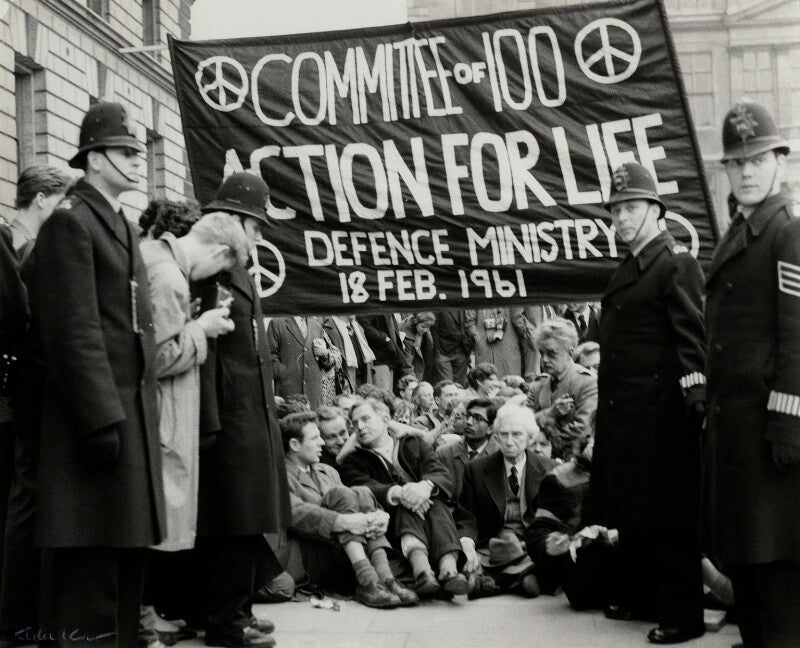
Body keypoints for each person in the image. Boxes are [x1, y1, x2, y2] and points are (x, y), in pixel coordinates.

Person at [27, 101, 165, 647]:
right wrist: (101, 418)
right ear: (94, 158)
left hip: (127, 416)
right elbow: (73, 331)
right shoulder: (71, 221)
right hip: (97, 422)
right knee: (91, 571)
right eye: (124, 151)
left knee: (123, 560)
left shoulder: (119, 224)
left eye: (137, 151)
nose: (136, 160)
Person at [588, 162, 707, 645]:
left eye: (631, 207)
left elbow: (691, 338)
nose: (621, 217)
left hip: (663, 415)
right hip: (627, 413)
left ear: (656, 210)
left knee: (671, 518)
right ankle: (642, 597)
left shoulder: (676, 263)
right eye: (615, 210)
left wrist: (695, 400)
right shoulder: (630, 267)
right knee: (634, 512)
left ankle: (683, 615)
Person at [704, 101, 800, 648]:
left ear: (779, 163)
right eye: (736, 163)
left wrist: (788, 424)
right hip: (739, 435)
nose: (745, 172)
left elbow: (797, 336)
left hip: (770, 438)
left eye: (757, 160)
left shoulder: (788, 233)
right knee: (750, 576)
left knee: (778, 580)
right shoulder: (741, 231)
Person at [139, 210, 249, 636]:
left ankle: (146, 613)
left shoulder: (154, 258)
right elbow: (158, 357)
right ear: (219, 252)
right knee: (157, 517)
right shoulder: (170, 276)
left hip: (160, 412)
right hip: (164, 414)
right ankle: (143, 616)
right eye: (222, 267)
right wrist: (202, 329)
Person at [195, 172, 291, 648]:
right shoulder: (212, 270)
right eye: (253, 226)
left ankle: (239, 609)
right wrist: (210, 421)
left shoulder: (237, 270)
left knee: (247, 518)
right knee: (231, 521)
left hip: (251, 414)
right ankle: (225, 621)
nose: (257, 237)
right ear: (231, 220)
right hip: (229, 418)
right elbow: (209, 354)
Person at [0, 165, 71, 644]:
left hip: (18, 394)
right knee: (24, 503)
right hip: (21, 394)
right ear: (42, 199)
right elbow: (15, 317)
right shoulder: (14, 244)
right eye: (62, 202)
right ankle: (17, 619)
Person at [281, 411, 418, 608]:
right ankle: (368, 580)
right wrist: (346, 522)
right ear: (294, 445)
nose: (322, 443)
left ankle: (385, 579)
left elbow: (355, 505)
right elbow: (294, 513)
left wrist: (380, 516)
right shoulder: (280, 475)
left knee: (362, 491)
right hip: (311, 557)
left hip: (342, 553)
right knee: (342, 494)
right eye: (315, 438)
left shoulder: (328, 471)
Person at [338, 399, 469, 599]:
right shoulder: (353, 460)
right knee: (405, 506)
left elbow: (438, 471)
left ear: (386, 420)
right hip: (391, 523)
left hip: (431, 513)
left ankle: (448, 570)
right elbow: (363, 485)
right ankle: (422, 571)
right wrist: (399, 492)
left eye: (365, 419)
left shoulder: (414, 444)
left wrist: (425, 486)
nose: (360, 427)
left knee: (437, 505)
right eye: (355, 424)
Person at [456, 402, 557, 597]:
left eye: (517, 434)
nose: (509, 442)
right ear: (496, 436)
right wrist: (467, 546)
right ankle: (523, 577)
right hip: (491, 545)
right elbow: (467, 517)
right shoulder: (476, 469)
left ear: (530, 437)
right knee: (470, 557)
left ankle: (493, 582)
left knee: (550, 556)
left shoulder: (550, 469)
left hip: (531, 545)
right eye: (504, 434)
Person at [527, 318, 598, 461]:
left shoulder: (587, 382)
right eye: (542, 353)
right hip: (537, 459)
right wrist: (550, 413)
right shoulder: (537, 385)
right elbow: (523, 423)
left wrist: (545, 440)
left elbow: (581, 430)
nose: (544, 360)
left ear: (570, 352)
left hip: (571, 460)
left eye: (551, 353)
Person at [268, 315, 342, 409]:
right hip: (289, 391)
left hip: (313, 395)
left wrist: (324, 355)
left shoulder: (316, 326)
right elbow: (268, 355)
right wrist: (283, 373)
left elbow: (327, 365)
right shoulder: (277, 323)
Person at [436, 397, 498, 502]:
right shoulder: (444, 453)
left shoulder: (500, 456)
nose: (469, 422)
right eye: (468, 416)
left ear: (490, 429)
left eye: (478, 418)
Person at [465, 308, 527, 378]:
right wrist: (477, 337)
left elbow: (517, 318)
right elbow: (470, 321)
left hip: (507, 345)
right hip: (486, 347)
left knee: (509, 380)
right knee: (486, 379)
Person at [430, 309, 472, 386]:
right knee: (447, 385)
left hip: (461, 350)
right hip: (443, 351)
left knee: (460, 386)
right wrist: (437, 349)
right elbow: (433, 329)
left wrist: (467, 347)